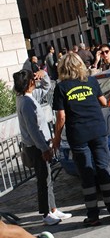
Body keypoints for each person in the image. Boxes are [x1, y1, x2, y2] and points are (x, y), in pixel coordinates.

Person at [52, 53, 110, 226]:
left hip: (78, 134)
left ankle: (93, 215)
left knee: (87, 174)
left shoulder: (62, 88)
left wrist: (57, 138)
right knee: (104, 168)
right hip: (98, 130)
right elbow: (103, 102)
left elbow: (61, 117)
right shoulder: (91, 82)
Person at [13, 69, 72, 225]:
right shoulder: (26, 103)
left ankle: (53, 209)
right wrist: (44, 149)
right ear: (29, 82)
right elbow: (33, 130)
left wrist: (43, 74)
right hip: (37, 146)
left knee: (47, 178)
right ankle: (46, 213)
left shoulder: (29, 97)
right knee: (43, 180)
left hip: (40, 144)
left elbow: (46, 87)